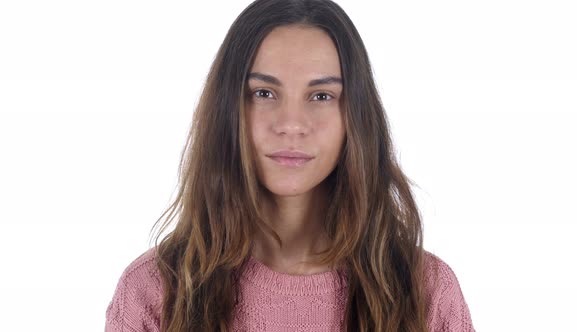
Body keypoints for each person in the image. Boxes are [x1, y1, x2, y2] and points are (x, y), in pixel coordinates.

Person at [105, 0, 475, 331]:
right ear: (228, 110)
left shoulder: (425, 292)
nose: (292, 123)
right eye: (264, 93)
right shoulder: (155, 291)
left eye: (321, 95)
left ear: (356, 117)